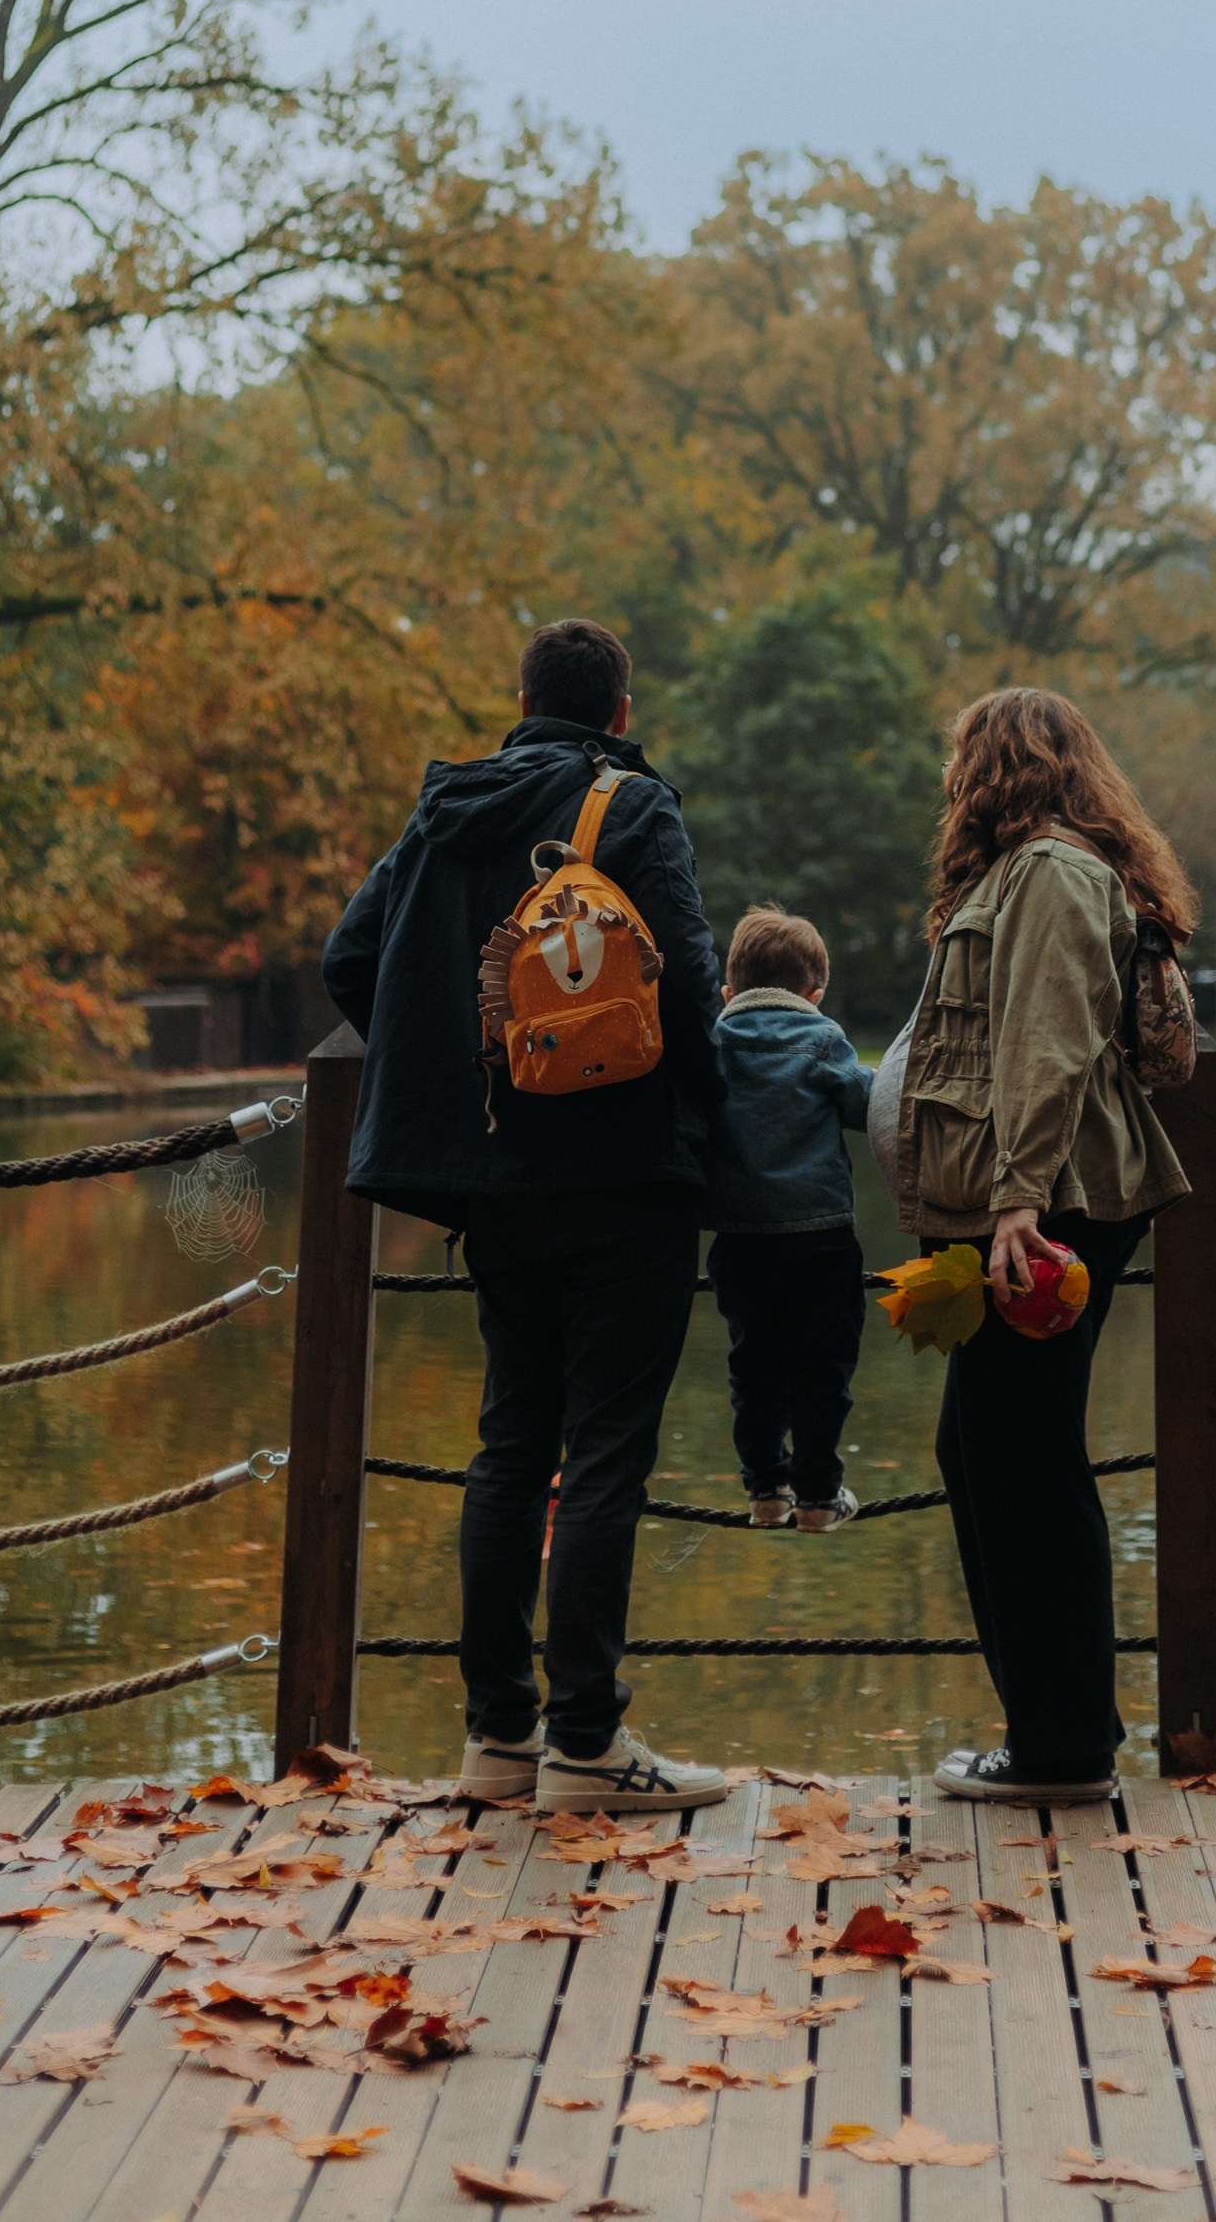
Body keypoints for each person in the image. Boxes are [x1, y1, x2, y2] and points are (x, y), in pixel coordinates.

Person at [324, 618, 730, 1814]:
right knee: (604, 1451)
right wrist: (703, 1121)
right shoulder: (630, 806)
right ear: (618, 711)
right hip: (625, 1174)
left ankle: (496, 1738)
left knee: (511, 1445)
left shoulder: (442, 814)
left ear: (519, 702)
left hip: (495, 1183)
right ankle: (586, 1743)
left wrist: (463, 1076)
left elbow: (351, 957)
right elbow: (688, 986)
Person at [891, 686, 1194, 1803]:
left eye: (960, 758)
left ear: (994, 764)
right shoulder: (1026, 870)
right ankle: (1055, 1729)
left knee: (1021, 1460)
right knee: (986, 1452)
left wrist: (1014, 1201)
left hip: (1049, 1202)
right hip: (1030, 1197)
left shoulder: (1054, 871)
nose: (951, 779)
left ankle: (1062, 1748)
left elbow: (1047, 1038)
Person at [702, 905, 874, 1534]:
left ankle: (766, 1491)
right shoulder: (823, 1037)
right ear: (814, 992)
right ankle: (819, 1497)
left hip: (739, 1238)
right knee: (822, 1370)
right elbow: (866, 1107)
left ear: (729, 990)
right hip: (820, 1235)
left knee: (754, 1366)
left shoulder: (714, 1043)